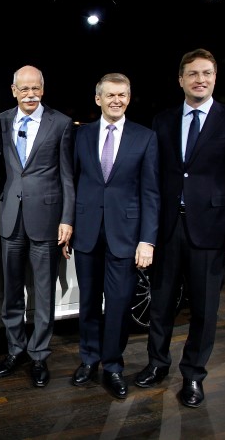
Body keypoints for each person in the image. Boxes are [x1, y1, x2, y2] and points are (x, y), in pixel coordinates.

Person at [134, 49, 225, 408]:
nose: (199, 79)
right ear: (181, 80)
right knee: (160, 305)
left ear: (215, 78)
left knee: (204, 309)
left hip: (213, 230)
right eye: (192, 74)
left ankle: (193, 376)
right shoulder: (164, 120)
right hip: (169, 229)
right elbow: (155, 180)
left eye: (206, 73)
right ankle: (157, 364)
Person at [70, 73, 160, 399]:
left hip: (127, 235)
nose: (116, 100)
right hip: (87, 232)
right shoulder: (80, 135)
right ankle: (89, 358)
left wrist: (147, 240)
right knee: (89, 302)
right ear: (98, 99)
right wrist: (67, 224)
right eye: (110, 95)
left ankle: (113, 365)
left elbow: (151, 193)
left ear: (129, 97)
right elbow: (72, 183)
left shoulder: (145, 138)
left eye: (122, 95)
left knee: (120, 303)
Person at [0, 65, 74, 388]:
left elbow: (68, 176)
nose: (30, 94)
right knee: (10, 291)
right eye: (24, 89)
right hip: (9, 218)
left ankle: (39, 355)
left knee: (43, 293)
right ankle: (14, 349)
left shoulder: (62, 124)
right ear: (13, 90)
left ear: (43, 88)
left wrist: (68, 218)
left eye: (35, 88)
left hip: (47, 220)